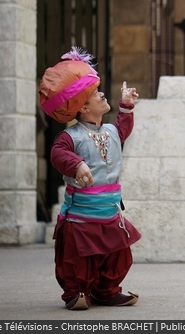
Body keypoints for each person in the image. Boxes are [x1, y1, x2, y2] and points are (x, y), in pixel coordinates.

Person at [39, 47, 142, 310]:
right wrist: (78, 164)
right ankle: (76, 291)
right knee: (78, 258)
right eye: (96, 93)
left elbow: (123, 127)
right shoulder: (69, 137)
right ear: (83, 107)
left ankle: (106, 291)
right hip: (81, 216)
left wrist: (126, 105)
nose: (102, 93)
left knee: (117, 254)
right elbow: (58, 154)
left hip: (109, 212)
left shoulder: (111, 130)